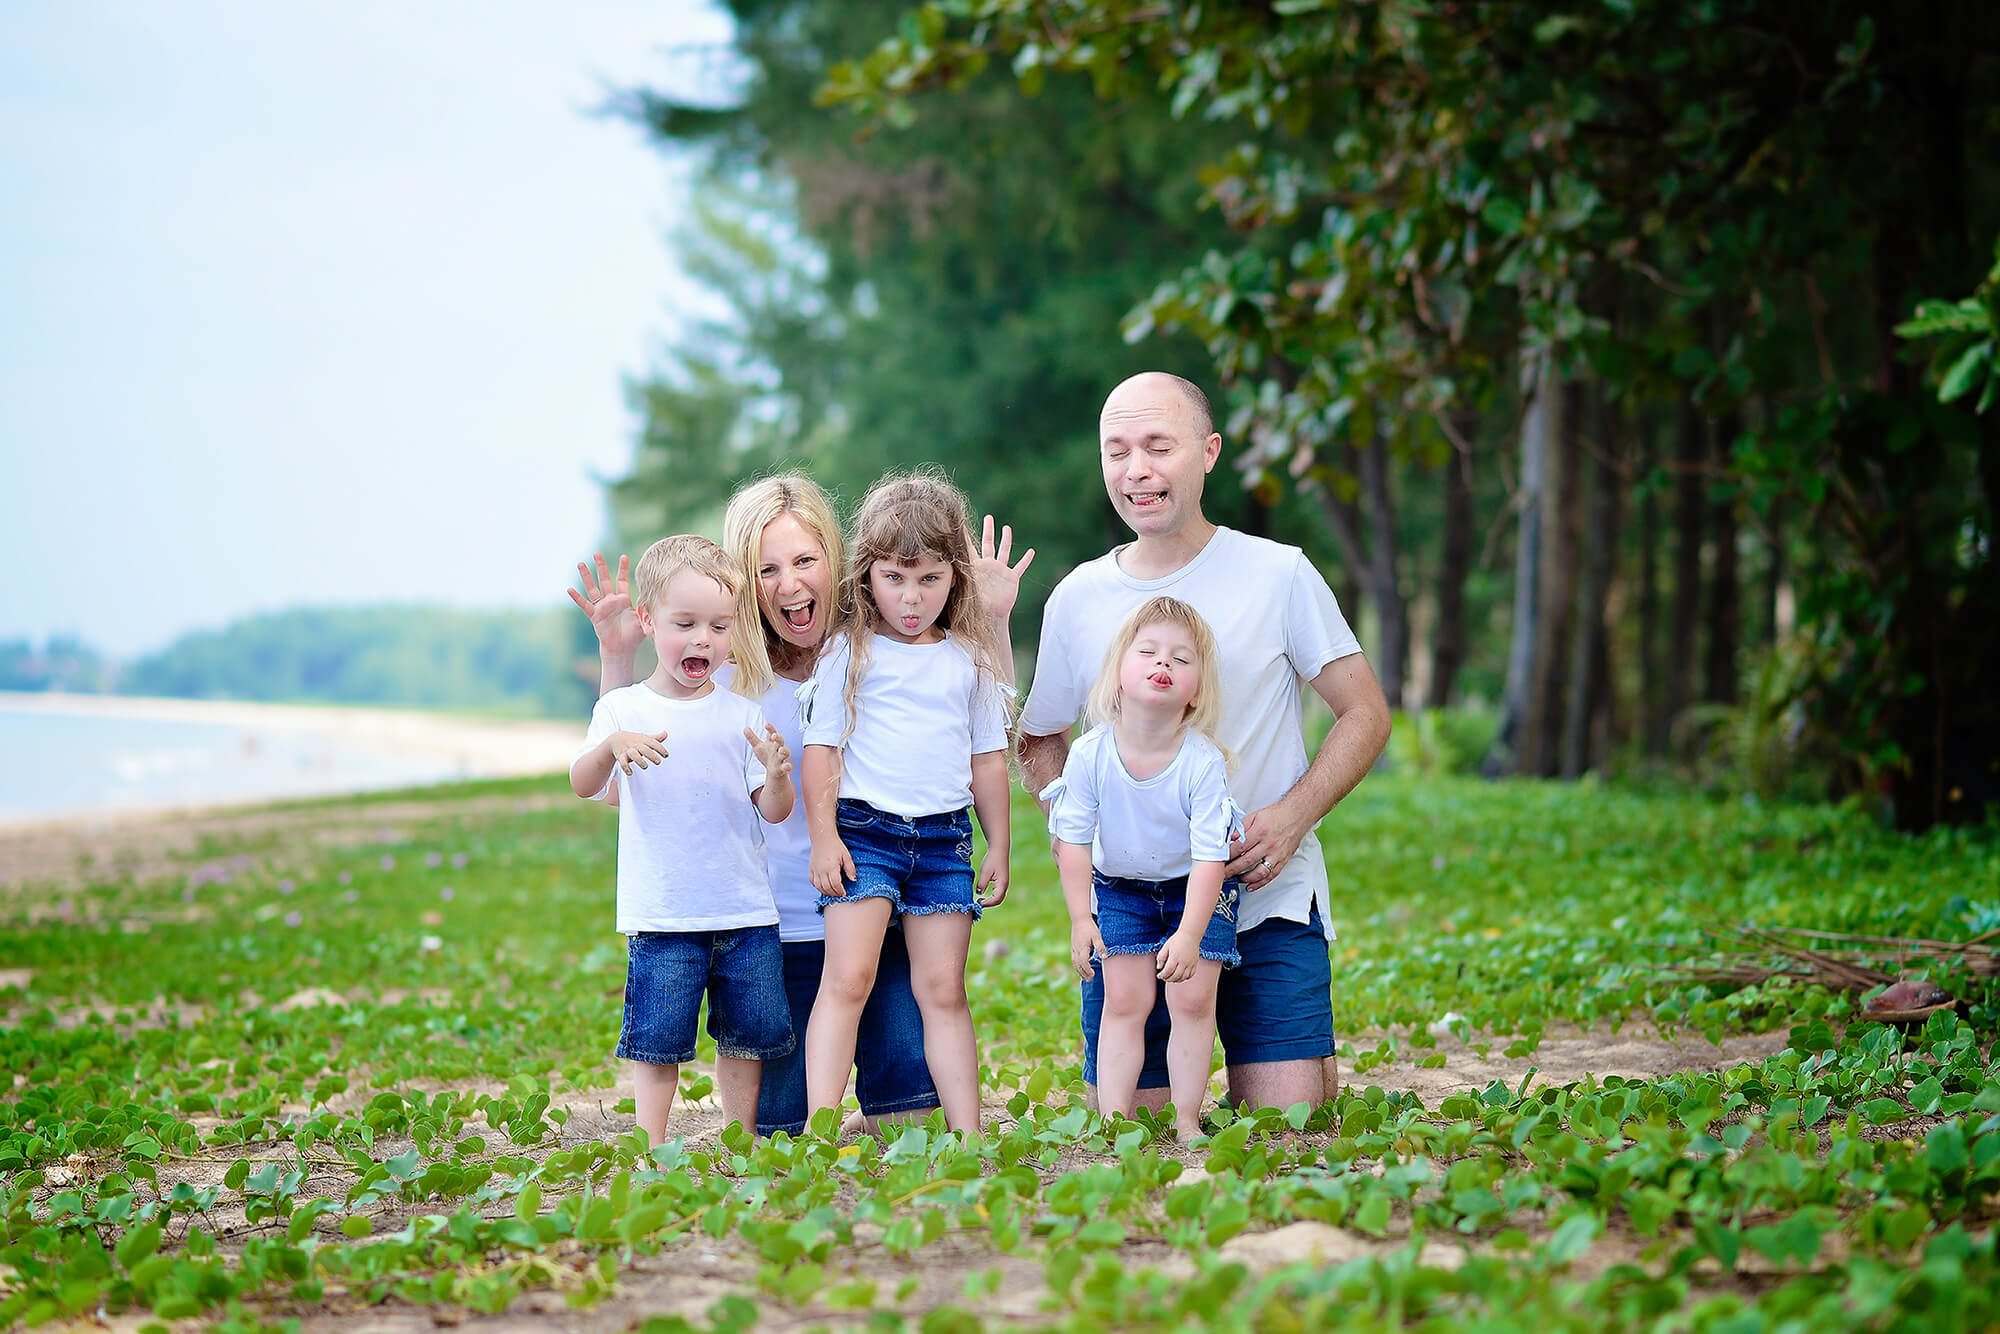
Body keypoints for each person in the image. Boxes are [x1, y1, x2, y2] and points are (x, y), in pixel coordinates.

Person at [568, 475, 1032, 1137]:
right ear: (742, 581)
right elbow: (620, 788)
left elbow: (977, 718)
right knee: (776, 1127)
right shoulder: (720, 672)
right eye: (767, 568)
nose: (789, 584)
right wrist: (618, 657)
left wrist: (994, 618)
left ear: (836, 563)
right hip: (776, 938)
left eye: (805, 562)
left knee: (912, 1119)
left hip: (881, 921)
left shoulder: (877, 643)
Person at [1017, 371, 1393, 1113]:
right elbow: (1039, 738)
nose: (1136, 470)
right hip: (1132, 912)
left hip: (1261, 892)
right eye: (1116, 450)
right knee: (1139, 1128)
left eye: (1159, 446)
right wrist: (1081, 832)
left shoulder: (1278, 572)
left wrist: (1293, 817)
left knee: (1293, 1122)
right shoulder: (1077, 597)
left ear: (1209, 451)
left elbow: (1366, 713)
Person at [799, 471, 1014, 1134]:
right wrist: (825, 836)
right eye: (895, 578)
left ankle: (969, 1130)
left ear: (956, 578)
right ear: (867, 576)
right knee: (849, 978)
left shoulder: (968, 660)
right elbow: (821, 752)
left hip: (944, 842)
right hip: (865, 834)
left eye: (929, 579)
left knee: (943, 989)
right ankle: (819, 1128)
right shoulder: (849, 651)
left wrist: (998, 842)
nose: (911, 597)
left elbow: (986, 758)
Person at [569, 534, 797, 1144]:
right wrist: (611, 748)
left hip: (744, 910)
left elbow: (773, 812)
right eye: (686, 623)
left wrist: (778, 776)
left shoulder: (742, 714)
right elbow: (583, 782)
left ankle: (739, 1135)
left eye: (720, 627)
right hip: (663, 914)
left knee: (746, 1037)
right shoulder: (622, 709)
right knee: (657, 1042)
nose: (703, 640)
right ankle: (652, 1141)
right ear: (646, 621)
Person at [1044, 597, 1242, 1140]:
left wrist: (1189, 933)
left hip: (1195, 891)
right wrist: (1082, 919)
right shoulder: (1089, 755)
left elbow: (1210, 859)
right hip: (1121, 890)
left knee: (1193, 998)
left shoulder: (1202, 762)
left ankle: (1184, 1119)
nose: (1164, 664)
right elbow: (1075, 842)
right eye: (1149, 652)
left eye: (1182, 659)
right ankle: (1113, 1118)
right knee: (1125, 1000)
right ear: (1118, 675)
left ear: (1196, 689)